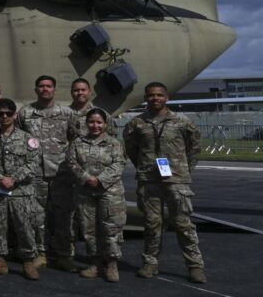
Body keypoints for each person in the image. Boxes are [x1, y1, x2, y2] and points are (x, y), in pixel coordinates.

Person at [123, 82, 206, 283]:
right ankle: (150, 263)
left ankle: (195, 266)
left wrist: (183, 170)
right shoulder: (136, 124)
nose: (155, 98)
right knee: (152, 223)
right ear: (146, 98)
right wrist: (144, 167)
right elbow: (132, 149)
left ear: (166, 97)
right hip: (149, 180)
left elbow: (194, 148)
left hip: (176, 180)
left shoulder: (182, 122)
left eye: (159, 95)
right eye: (151, 95)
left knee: (183, 223)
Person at [15, 75, 77, 272]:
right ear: (36, 89)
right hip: (35, 174)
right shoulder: (25, 113)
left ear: (55, 90)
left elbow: (76, 140)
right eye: (41, 86)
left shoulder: (67, 113)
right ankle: (40, 253)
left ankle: (64, 255)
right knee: (36, 216)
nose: (45, 89)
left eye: (49, 86)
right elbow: (18, 139)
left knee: (63, 215)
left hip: (61, 173)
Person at [0, 98, 42, 280]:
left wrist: (14, 179)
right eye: (0, 114)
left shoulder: (28, 139)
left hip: (21, 192)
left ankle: (28, 261)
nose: (4, 116)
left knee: (25, 227)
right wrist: (0, 178)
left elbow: (33, 163)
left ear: (15, 115)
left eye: (8, 113)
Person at [67, 107, 126, 283]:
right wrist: (86, 178)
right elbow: (71, 162)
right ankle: (95, 263)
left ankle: (112, 264)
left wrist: (100, 180)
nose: (95, 125)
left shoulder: (114, 143)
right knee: (89, 229)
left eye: (99, 122)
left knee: (111, 228)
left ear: (105, 124)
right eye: (91, 122)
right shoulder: (77, 143)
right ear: (86, 123)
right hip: (85, 191)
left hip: (110, 192)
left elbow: (119, 164)